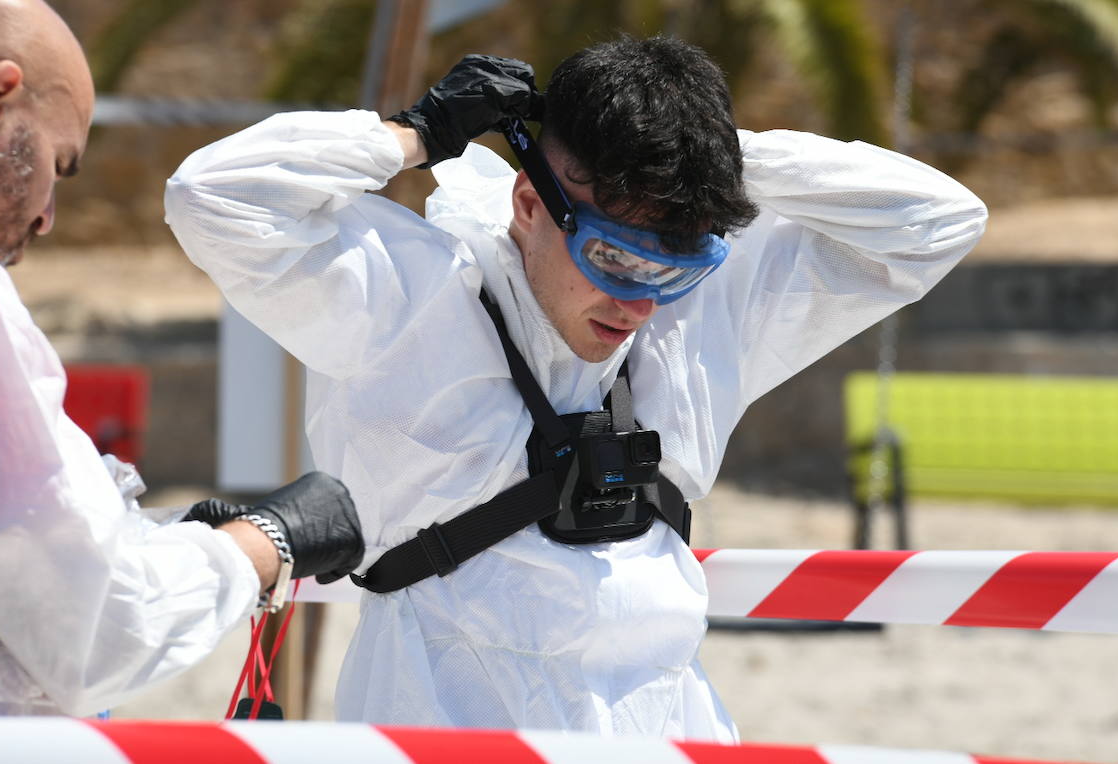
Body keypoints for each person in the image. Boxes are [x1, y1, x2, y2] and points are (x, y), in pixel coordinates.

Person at [164, 36, 987, 739]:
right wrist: (414, 135)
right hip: (444, 731)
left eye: (673, 268)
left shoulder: (696, 316)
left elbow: (937, 224)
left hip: (670, 729)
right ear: (529, 202)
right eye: (615, 259)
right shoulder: (406, 302)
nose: (637, 304)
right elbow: (215, 198)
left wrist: (710, 152)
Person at [0, 0, 363, 717]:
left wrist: (149, 542)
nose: (46, 216)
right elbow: (91, 624)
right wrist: (265, 544)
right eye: (59, 165)